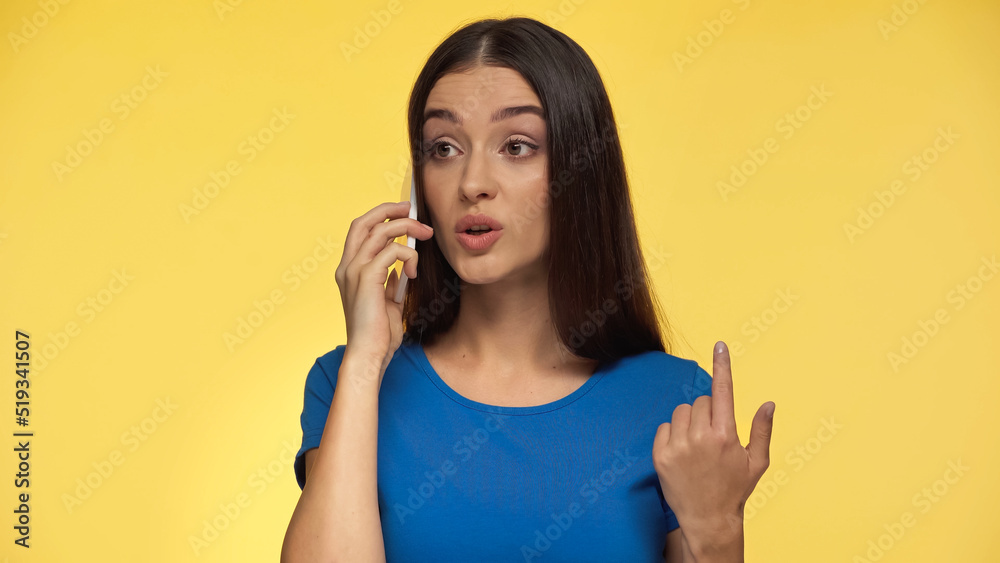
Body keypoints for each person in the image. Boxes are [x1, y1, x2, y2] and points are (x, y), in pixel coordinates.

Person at [280, 16, 775, 563]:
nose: (472, 184)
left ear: (580, 171)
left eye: (516, 146)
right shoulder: (347, 384)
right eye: (443, 148)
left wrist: (716, 529)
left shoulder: (676, 402)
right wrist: (366, 362)